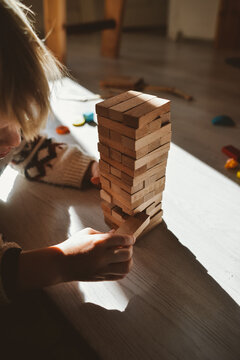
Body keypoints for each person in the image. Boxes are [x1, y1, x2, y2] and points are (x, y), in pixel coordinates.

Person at [0, 0, 134, 304]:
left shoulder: (11, 139)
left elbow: (29, 151)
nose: (13, 139)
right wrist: (60, 262)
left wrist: (89, 169)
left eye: (18, 121)